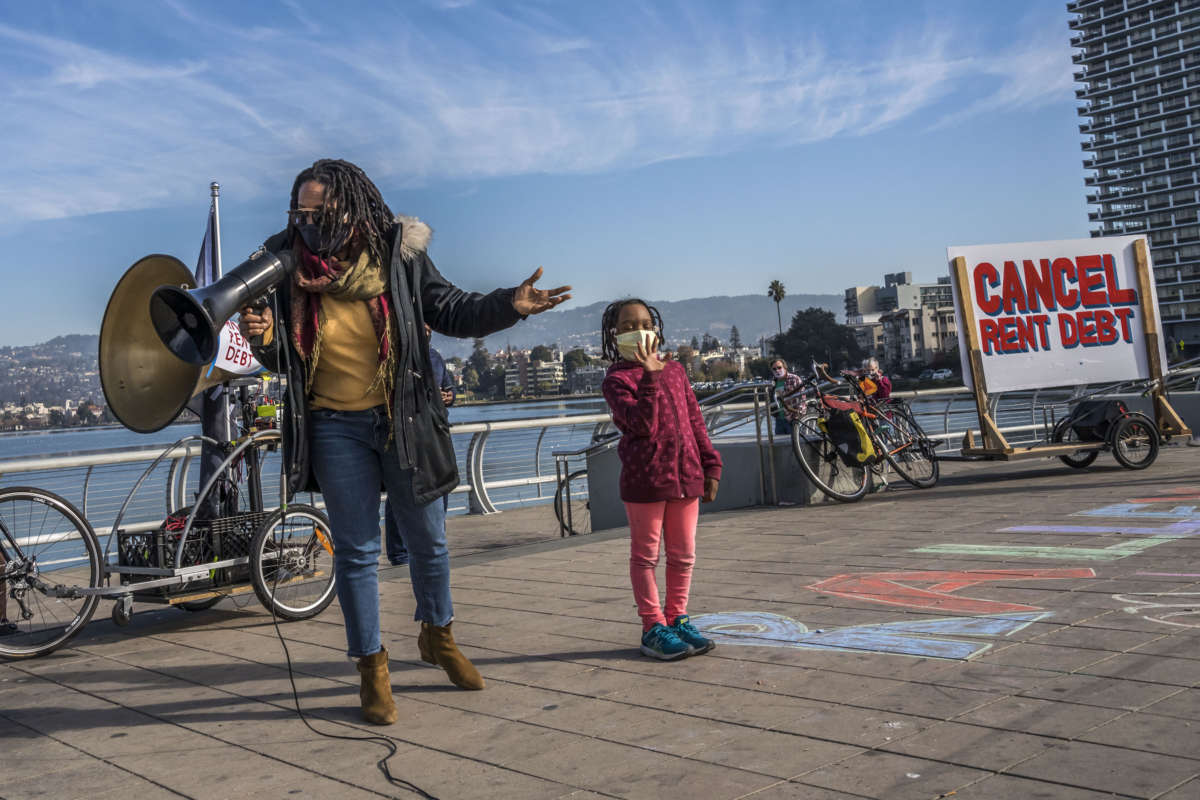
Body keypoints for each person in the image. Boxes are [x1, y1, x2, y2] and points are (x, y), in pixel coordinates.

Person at [239, 159, 569, 725]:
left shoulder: (397, 252)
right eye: (302, 212)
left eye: (323, 212)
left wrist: (507, 305)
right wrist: (264, 340)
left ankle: (437, 635)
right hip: (332, 425)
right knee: (359, 552)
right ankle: (371, 666)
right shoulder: (284, 261)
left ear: (352, 206)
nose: (311, 222)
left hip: (404, 419)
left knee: (430, 542)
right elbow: (283, 356)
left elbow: (450, 307)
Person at [600, 298, 722, 660]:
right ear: (614, 334)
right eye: (626, 325)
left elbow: (695, 421)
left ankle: (678, 618)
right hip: (645, 482)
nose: (637, 329)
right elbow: (641, 424)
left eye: (644, 322)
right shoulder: (617, 380)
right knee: (646, 556)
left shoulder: (677, 372)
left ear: (656, 328)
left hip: (686, 478)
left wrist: (711, 465)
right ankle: (652, 626)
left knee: (683, 555)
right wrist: (650, 374)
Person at [385, 324, 454, 566]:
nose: (425, 329)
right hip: (405, 432)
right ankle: (399, 553)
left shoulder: (436, 358)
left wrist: (449, 396)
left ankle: (437, 542)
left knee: (440, 488)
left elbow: (449, 387)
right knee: (399, 494)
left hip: (434, 432)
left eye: (428, 327)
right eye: (421, 325)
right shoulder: (395, 355)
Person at [769, 358, 806, 436]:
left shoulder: (794, 378)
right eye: (774, 369)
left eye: (779, 367)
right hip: (779, 419)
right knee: (781, 445)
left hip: (793, 418)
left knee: (796, 443)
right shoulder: (773, 383)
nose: (777, 370)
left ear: (785, 367)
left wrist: (797, 415)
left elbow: (802, 398)